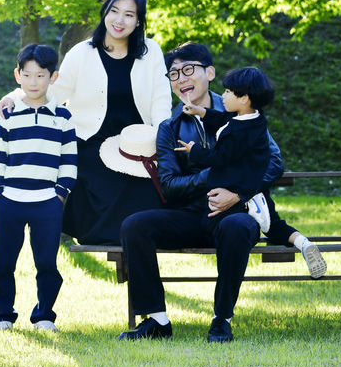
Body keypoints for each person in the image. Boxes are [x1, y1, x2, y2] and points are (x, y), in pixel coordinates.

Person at [117, 43, 325, 344]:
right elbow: (171, 185)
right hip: (190, 216)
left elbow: (273, 161)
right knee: (134, 225)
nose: (181, 78)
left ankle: (221, 320)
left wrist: (237, 193)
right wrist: (215, 176)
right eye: (173, 73)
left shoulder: (240, 116)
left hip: (235, 215)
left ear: (209, 73)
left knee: (239, 226)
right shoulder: (169, 128)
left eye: (189, 69)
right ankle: (156, 320)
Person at [0, 0, 171, 245]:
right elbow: (52, 89)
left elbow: (160, 100)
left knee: (146, 187)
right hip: (91, 143)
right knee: (104, 179)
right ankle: (112, 240)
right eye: (114, 11)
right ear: (104, 12)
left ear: (138, 21)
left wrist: (161, 138)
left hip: (136, 146)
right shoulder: (82, 52)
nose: (119, 20)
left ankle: (139, 242)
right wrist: (13, 96)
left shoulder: (151, 51)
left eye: (129, 14)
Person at [0, 44, 77, 332]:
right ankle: (3, 315)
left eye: (41, 76)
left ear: (53, 77)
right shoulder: (9, 116)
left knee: (47, 263)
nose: (34, 82)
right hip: (10, 200)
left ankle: (44, 315)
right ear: (17, 75)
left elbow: (69, 159)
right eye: (27, 75)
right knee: (4, 262)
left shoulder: (62, 117)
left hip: (47, 202)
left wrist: (60, 193)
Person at [174, 66, 274, 235]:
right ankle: (302, 242)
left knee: (210, 224)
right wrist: (200, 111)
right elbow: (222, 119)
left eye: (228, 92)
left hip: (235, 185)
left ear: (244, 99)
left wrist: (195, 150)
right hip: (238, 182)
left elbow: (219, 158)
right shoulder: (248, 118)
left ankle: (249, 205)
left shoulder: (241, 133)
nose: (224, 96)